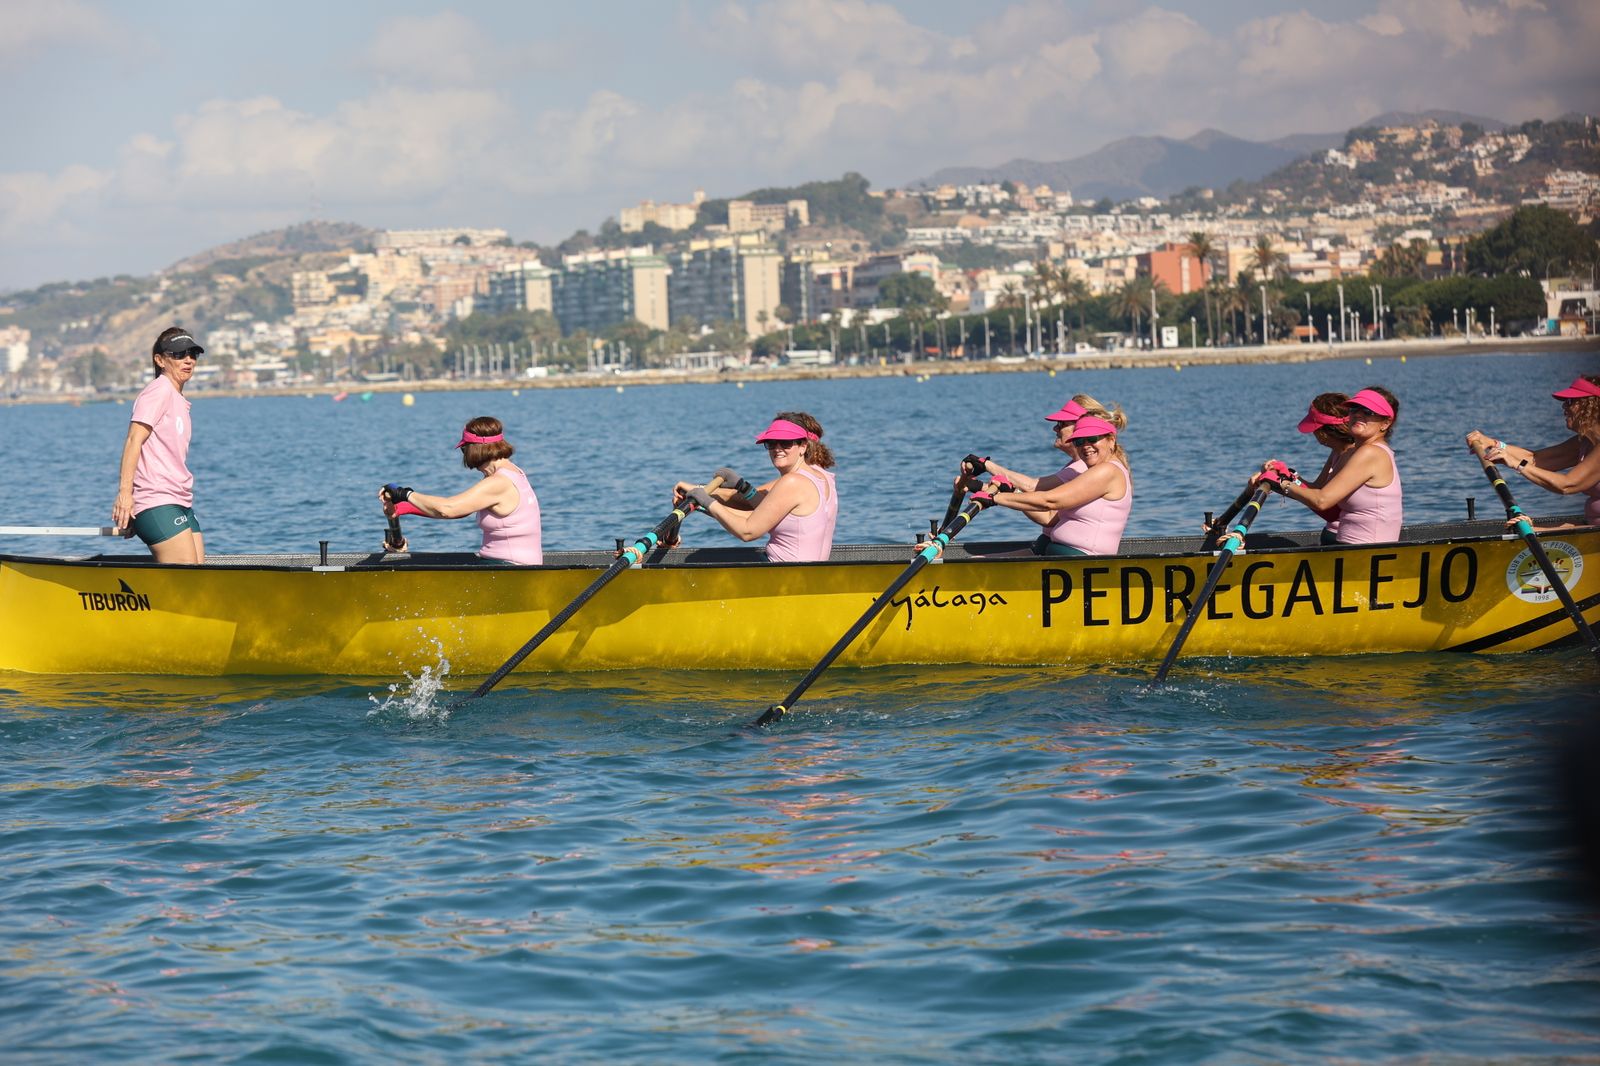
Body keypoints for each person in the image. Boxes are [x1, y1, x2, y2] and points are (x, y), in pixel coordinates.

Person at [675, 411, 838, 562]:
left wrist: (707, 502)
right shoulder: (821, 476)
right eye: (771, 443)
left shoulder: (792, 482)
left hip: (783, 576)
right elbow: (762, 514)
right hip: (804, 575)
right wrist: (740, 487)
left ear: (803, 446)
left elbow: (747, 531)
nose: (777, 449)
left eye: (786, 443)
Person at [963, 394, 1127, 543]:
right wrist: (990, 489)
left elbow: (1041, 496)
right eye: (1080, 441)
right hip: (1052, 549)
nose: (1055, 429)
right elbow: (1050, 514)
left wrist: (989, 477)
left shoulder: (1097, 469)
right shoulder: (1085, 466)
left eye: (1061, 424)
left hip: (1071, 558)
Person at [378, 416, 542, 564]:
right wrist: (404, 507)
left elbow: (448, 509)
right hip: (505, 567)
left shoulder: (498, 482)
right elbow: (461, 510)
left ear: (474, 449)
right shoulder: (513, 472)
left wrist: (404, 494)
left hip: (510, 571)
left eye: (464, 450)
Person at [113, 327, 206, 563]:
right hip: (157, 500)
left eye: (192, 354)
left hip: (180, 500)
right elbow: (134, 439)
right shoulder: (159, 390)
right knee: (188, 579)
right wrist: (126, 495)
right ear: (160, 360)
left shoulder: (177, 398)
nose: (188, 360)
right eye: (178, 354)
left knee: (200, 576)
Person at [980, 414, 1133, 556]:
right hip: (1059, 557)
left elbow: (1050, 501)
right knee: (978, 559)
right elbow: (1049, 517)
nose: (1086, 446)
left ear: (1111, 440)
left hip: (1082, 562)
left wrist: (995, 499)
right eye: (1079, 441)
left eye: (1092, 439)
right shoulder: (1095, 471)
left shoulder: (1107, 470)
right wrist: (1012, 492)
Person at [1269, 386, 1403, 544]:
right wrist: (1287, 477)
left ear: (1386, 423)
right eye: (1354, 409)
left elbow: (1321, 501)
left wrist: (1281, 483)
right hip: (1348, 548)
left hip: (1363, 553)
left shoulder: (1370, 453)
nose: (1358, 414)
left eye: (1368, 412)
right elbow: (1317, 491)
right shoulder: (1360, 451)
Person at [1467, 374, 1600, 528]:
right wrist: (1493, 444)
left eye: (1571, 402)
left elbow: (1567, 485)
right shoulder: (1584, 442)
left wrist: (1518, 465)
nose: (1564, 407)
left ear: (1592, 406)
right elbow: (1536, 458)